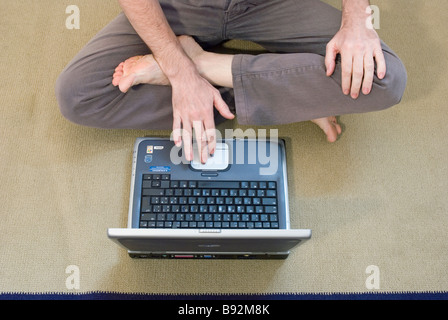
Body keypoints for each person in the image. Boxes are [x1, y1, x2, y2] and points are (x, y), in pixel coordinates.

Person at [56, 0, 407, 163]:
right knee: (79, 95)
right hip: (180, 5)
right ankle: (289, 89)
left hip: (272, 5)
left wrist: (357, 20)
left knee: (385, 79)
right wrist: (178, 71)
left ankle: (205, 63)